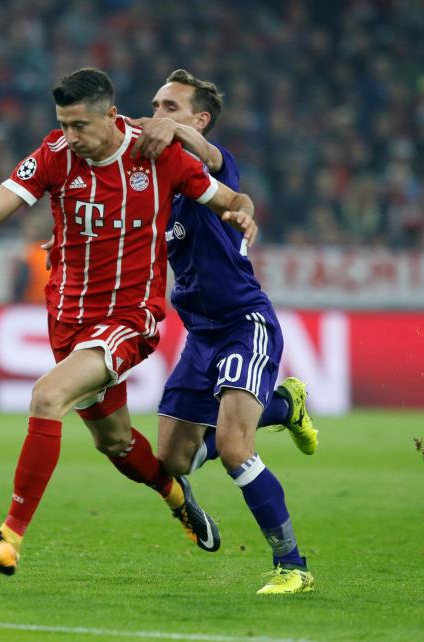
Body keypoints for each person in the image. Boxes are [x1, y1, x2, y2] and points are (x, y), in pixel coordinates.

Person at [0, 67, 258, 576]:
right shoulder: (55, 155)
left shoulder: (157, 157)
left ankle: (8, 538)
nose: (71, 137)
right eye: (63, 124)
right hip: (67, 321)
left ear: (110, 116)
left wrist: (243, 213)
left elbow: (229, 198)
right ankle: (177, 495)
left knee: (47, 396)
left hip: (130, 318)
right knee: (116, 443)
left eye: (80, 126)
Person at [126, 69, 318, 594]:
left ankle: (291, 566)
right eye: (155, 106)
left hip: (244, 324)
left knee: (234, 447)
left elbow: (215, 166)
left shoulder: (214, 163)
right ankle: (284, 405)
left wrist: (175, 133)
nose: (158, 115)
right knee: (170, 463)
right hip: (199, 336)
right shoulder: (163, 185)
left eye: (170, 107)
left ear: (199, 119)